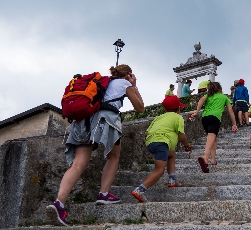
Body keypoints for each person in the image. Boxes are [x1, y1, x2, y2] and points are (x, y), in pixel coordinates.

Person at [46, 64, 145, 226]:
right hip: (105, 120)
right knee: (113, 156)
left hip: (83, 121)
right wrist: (134, 86)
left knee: (78, 164)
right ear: (128, 74)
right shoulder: (124, 84)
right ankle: (104, 194)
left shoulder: (101, 83)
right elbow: (140, 108)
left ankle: (59, 203)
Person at [131, 95, 192, 203]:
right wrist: (187, 146)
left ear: (165, 109)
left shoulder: (158, 117)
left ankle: (172, 180)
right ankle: (139, 190)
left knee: (172, 155)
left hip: (150, 143)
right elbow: (181, 136)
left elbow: (146, 133)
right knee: (159, 171)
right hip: (161, 143)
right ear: (178, 108)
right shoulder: (178, 117)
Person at [190, 82, 238, 173]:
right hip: (215, 117)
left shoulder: (208, 95)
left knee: (214, 138)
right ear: (220, 88)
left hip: (205, 118)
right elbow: (231, 111)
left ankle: (213, 160)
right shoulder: (224, 97)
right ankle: (205, 157)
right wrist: (234, 124)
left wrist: (196, 112)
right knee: (211, 137)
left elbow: (201, 100)